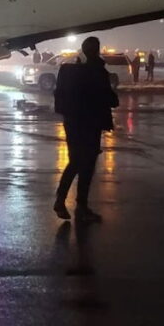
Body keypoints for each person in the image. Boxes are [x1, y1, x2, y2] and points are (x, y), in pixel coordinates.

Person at [53, 36, 119, 222]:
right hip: (90, 124)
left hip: (73, 123)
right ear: (97, 50)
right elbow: (111, 99)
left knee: (75, 162)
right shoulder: (98, 72)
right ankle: (80, 206)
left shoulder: (71, 72)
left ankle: (62, 199)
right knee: (86, 165)